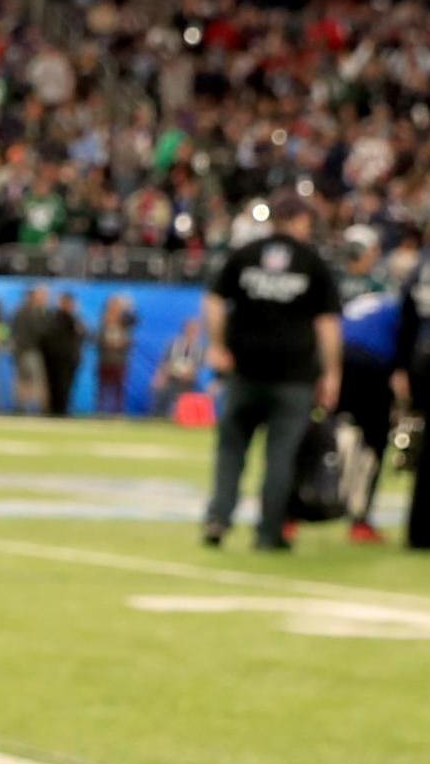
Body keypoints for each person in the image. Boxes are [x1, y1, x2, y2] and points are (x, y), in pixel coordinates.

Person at [201, 193, 343, 551]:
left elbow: (214, 301)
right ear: (300, 222)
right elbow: (327, 324)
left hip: (246, 371)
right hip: (293, 376)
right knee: (280, 457)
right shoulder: (312, 262)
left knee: (231, 449)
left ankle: (219, 517)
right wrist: (331, 373)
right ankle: (268, 532)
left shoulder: (246, 255)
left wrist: (218, 346)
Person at [338, 289, 401, 543]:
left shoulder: (370, 300)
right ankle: (360, 520)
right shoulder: (399, 306)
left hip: (336, 358)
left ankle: (291, 515)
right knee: (374, 441)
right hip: (372, 367)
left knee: (321, 435)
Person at [400, 251, 430, 548]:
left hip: (421, 358)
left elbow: (406, 314)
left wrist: (403, 366)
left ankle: (418, 532)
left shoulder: (422, 263)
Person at [41, 291, 86, 417]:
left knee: (66, 386)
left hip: (70, 359)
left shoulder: (75, 319)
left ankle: (62, 410)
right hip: (55, 359)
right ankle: (55, 410)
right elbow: (47, 338)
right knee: (55, 385)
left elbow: (85, 334)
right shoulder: (54, 317)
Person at [10, 285, 51, 414]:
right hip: (29, 351)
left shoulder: (23, 311)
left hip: (26, 351)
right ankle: (34, 408)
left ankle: (24, 408)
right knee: (33, 380)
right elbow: (37, 332)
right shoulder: (28, 313)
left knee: (26, 381)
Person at [152, 317, 204, 415]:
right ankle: (158, 416)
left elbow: (199, 367)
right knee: (160, 388)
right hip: (171, 377)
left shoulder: (200, 348)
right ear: (185, 329)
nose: (192, 332)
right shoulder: (174, 344)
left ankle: (184, 415)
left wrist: (191, 374)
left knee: (187, 388)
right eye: (190, 329)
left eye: (195, 329)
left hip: (189, 380)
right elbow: (164, 362)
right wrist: (161, 376)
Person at [94, 294, 137, 415]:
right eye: (112, 306)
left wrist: (129, 307)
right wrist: (108, 343)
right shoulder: (103, 323)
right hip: (105, 359)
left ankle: (117, 412)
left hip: (119, 361)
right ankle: (100, 411)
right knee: (102, 388)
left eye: (117, 306)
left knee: (119, 388)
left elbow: (134, 323)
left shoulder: (125, 323)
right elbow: (97, 339)